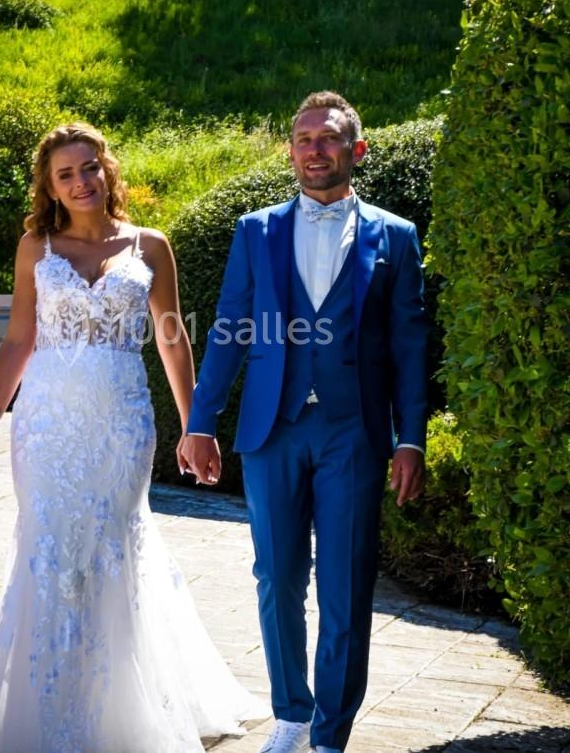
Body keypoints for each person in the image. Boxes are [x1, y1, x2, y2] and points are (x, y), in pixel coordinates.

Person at [0, 123, 266, 753]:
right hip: (46, 422)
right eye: (65, 174)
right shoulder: (35, 248)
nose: (81, 182)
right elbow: (20, 339)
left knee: (113, 545)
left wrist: (194, 425)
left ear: (108, 170)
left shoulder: (151, 246)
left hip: (122, 422)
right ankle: (49, 708)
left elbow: (171, 336)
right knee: (50, 552)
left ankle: (122, 715)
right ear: (50, 186)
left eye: (89, 167)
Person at [181, 91, 428, 753]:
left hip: (354, 432)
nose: (313, 148)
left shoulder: (396, 237)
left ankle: (329, 736)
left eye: (328, 138)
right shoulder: (255, 230)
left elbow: (409, 346)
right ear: (290, 150)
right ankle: (291, 712)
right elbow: (230, 330)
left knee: (346, 582)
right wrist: (200, 422)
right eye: (302, 138)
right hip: (273, 429)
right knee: (276, 576)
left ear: (357, 149)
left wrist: (411, 438)